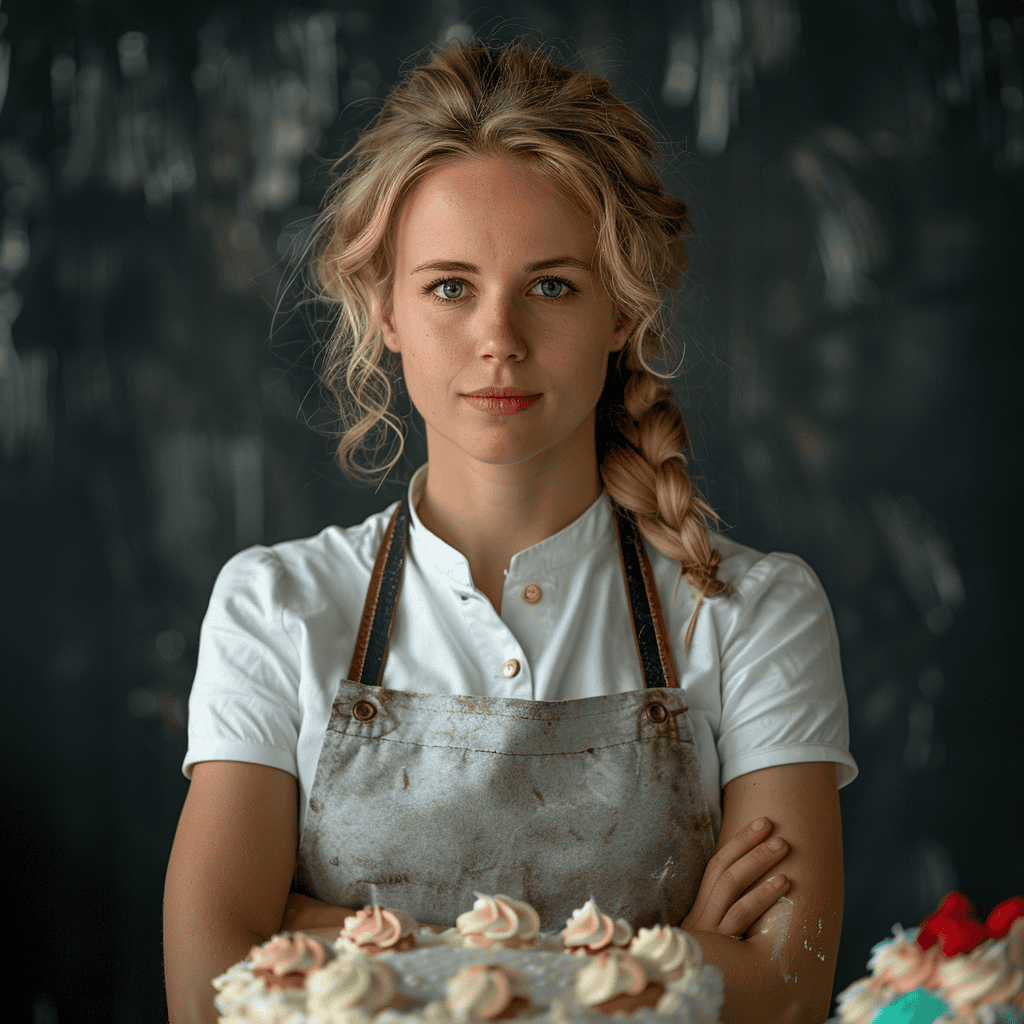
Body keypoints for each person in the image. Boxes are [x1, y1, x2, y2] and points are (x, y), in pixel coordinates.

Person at [163, 38, 857, 1024]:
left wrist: (357, 942)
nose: (500, 336)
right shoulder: (275, 606)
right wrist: (665, 957)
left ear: (622, 306)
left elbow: (784, 993)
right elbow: (205, 995)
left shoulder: (750, 613)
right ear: (384, 306)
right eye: (450, 285)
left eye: (552, 285)